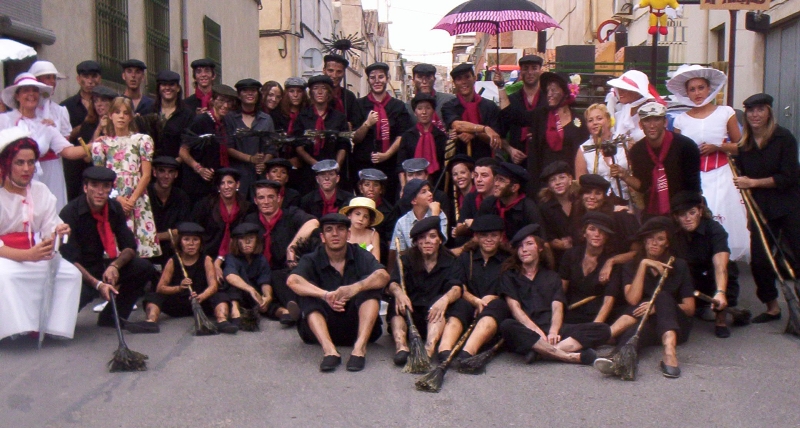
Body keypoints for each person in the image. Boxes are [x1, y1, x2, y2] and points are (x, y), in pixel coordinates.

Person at [0, 128, 82, 342]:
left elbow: (51, 225)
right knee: (6, 277)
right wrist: (27, 256)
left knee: (70, 274)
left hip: (35, 251)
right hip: (5, 255)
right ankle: (15, 330)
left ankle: (51, 327)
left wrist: (59, 231)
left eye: (31, 162)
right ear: (6, 163)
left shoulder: (40, 190)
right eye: (19, 162)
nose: (27, 169)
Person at [287, 213, 388, 372]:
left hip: (356, 327)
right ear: (322, 236)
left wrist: (355, 287)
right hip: (321, 328)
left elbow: (383, 276)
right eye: (329, 230)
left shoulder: (360, 254)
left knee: (370, 287)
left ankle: (359, 350)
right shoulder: (311, 258)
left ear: (348, 234)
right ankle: (329, 351)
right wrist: (325, 295)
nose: (335, 234)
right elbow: (292, 281)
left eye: (340, 229)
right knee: (306, 290)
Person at [596, 217, 695, 378]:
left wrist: (656, 307)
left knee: (662, 298)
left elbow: (690, 309)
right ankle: (618, 358)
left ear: (667, 243)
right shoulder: (631, 266)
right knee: (637, 326)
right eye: (650, 238)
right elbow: (633, 301)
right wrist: (643, 265)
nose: (654, 243)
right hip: (648, 323)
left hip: (676, 326)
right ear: (644, 241)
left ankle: (669, 353)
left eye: (660, 239)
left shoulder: (679, 265)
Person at [668, 65, 748, 261]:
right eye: (692, 89)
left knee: (722, 218)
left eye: (701, 88)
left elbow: (741, 146)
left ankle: (724, 262)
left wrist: (719, 147)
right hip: (695, 178)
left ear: (709, 89)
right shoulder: (681, 120)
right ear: (686, 92)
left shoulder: (725, 112)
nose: (697, 93)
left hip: (722, 174)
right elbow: (677, 153)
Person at [733, 93, 800, 324]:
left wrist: (752, 182)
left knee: (798, 256)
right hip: (761, 208)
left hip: (789, 205)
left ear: (769, 112)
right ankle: (772, 307)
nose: (755, 115)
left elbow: (788, 177)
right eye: (750, 111)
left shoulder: (784, 138)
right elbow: (743, 178)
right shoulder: (745, 145)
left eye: (760, 110)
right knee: (760, 260)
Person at [60, 166, 156, 327]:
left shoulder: (114, 208)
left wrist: (114, 266)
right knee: (62, 323)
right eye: (94, 186)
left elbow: (130, 247)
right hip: (78, 272)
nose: (100, 191)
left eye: (105, 187)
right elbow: (69, 258)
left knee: (143, 267)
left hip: (102, 266)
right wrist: (97, 284)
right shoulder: (70, 212)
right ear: (85, 187)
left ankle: (112, 317)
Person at [498, 225, 604, 365]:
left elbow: (557, 306)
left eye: (529, 244)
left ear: (540, 248)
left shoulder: (552, 276)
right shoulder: (509, 276)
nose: (523, 250)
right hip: (526, 331)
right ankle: (567, 356)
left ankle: (541, 352)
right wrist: (536, 332)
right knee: (507, 325)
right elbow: (515, 308)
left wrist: (553, 331)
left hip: (550, 328)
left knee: (602, 329)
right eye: (520, 246)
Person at [124, 222, 237, 334]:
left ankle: (222, 320)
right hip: (179, 302)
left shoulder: (206, 259)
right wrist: (179, 287)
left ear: (200, 243)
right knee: (153, 296)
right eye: (186, 239)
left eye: (195, 240)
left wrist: (201, 296)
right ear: (180, 242)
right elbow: (160, 288)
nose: (191, 244)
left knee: (220, 296)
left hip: (201, 302)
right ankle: (150, 322)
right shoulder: (173, 261)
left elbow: (213, 286)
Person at [0, 73, 89, 210]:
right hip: (11, 183)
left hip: (44, 180)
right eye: (26, 90)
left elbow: (69, 151)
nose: (31, 94)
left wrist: (96, 145)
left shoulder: (46, 125)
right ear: (17, 96)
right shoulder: (5, 120)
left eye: (35, 90)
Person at [90, 97, 161, 259]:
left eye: (125, 113)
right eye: (117, 112)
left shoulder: (141, 140)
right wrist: (117, 198)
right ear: (110, 116)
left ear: (131, 116)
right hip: (112, 198)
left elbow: (146, 174)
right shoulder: (102, 144)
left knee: (138, 248)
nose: (121, 116)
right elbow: (99, 177)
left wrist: (132, 199)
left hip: (137, 197)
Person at [386, 216, 462, 363]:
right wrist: (399, 293)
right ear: (416, 242)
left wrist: (444, 300)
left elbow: (456, 288)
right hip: (410, 312)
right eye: (422, 238)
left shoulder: (451, 260)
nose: (427, 241)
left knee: (439, 310)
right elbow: (393, 282)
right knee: (395, 305)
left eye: (432, 236)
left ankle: (428, 350)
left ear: (440, 239)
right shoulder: (405, 259)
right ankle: (401, 348)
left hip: (434, 315)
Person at [501, 72, 589, 194]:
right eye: (547, 91)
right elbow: (513, 116)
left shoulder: (578, 121)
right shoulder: (540, 115)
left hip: (570, 185)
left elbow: (585, 154)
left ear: (565, 92)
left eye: (553, 90)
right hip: (543, 184)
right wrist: (501, 87)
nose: (549, 95)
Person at [439, 215, 512, 361]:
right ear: (476, 237)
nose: (489, 239)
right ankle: (445, 350)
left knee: (498, 306)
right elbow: (457, 284)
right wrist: (475, 301)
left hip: (494, 311)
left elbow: (510, 291)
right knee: (459, 305)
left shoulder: (508, 260)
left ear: (500, 237)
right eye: (484, 235)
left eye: (494, 235)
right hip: (469, 306)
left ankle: (467, 352)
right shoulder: (466, 257)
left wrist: (492, 298)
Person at [670, 191, 739, 338]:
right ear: (676, 217)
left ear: (700, 211)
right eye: (682, 215)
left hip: (713, 276)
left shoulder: (715, 230)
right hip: (691, 279)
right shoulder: (674, 233)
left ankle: (721, 321)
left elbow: (720, 265)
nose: (688, 218)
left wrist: (720, 292)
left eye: (692, 212)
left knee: (727, 269)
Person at [614, 102, 701, 218]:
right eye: (647, 120)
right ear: (640, 125)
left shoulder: (686, 146)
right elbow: (643, 186)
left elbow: (694, 187)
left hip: (683, 211)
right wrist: (624, 176)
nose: (652, 125)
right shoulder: (637, 151)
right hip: (652, 211)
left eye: (656, 120)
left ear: (665, 122)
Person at [243, 180, 318, 301]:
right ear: (255, 200)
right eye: (261, 198)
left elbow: (313, 222)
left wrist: (292, 247)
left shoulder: (291, 214)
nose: (266, 202)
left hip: (287, 272)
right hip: (261, 275)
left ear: (279, 198)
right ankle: (283, 311)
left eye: (271, 197)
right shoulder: (250, 220)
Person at [352, 62, 412, 199]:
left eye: (381, 77)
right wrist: (367, 124)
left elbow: (402, 135)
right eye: (373, 77)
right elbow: (355, 138)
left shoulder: (398, 106)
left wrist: (387, 154)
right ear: (368, 81)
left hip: (390, 166)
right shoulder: (359, 104)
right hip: (364, 164)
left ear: (387, 78)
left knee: (389, 202)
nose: (377, 81)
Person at [223, 222, 299, 326]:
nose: (247, 242)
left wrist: (267, 296)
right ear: (236, 242)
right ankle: (235, 312)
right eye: (242, 238)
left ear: (257, 240)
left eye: (251, 238)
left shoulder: (260, 259)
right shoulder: (231, 258)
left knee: (269, 298)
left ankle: (285, 313)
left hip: (255, 296)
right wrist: (250, 289)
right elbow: (230, 276)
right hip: (241, 295)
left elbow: (265, 281)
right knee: (234, 286)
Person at [559, 212, 621, 326]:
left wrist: (595, 327)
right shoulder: (571, 255)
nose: (597, 234)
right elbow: (561, 289)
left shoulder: (612, 262)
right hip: (571, 313)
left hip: (597, 317)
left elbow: (609, 300)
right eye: (592, 229)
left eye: (602, 231)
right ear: (584, 233)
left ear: (607, 236)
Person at [179, 84, 238, 203]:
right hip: (196, 184)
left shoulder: (225, 123)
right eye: (221, 101)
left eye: (229, 102)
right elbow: (183, 151)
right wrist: (199, 168)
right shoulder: (201, 121)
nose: (225, 106)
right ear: (212, 101)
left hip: (214, 182)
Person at [191, 168, 251, 282]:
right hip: (207, 252)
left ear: (237, 184)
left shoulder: (246, 207)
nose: (226, 186)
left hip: (235, 254)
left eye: (230, 182)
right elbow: (196, 231)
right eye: (222, 183)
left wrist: (220, 259)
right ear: (218, 187)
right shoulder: (205, 205)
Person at [293, 75, 350, 194]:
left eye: (323, 88)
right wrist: (316, 165)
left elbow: (343, 145)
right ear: (311, 93)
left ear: (329, 92)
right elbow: (299, 146)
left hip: (333, 170)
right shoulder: (302, 117)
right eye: (315, 88)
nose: (319, 92)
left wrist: (335, 166)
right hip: (309, 170)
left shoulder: (339, 118)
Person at [442, 63, 504, 161]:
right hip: (459, 163)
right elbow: (457, 125)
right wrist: (484, 129)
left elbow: (494, 138)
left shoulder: (490, 106)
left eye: (467, 77)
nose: (464, 82)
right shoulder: (449, 107)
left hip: (485, 162)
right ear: (454, 83)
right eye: (459, 79)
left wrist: (475, 133)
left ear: (474, 78)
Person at [61, 60, 102, 201]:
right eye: (86, 76)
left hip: (98, 163)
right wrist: (83, 126)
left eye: (94, 76)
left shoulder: (107, 103)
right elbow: (61, 137)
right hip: (74, 166)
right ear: (79, 79)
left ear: (100, 78)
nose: (90, 81)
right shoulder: (66, 106)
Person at [226, 78, 273, 198]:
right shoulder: (230, 118)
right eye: (245, 91)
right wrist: (250, 158)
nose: (250, 94)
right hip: (238, 172)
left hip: (259, 173)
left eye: (253, 91)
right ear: (239, 95)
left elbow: (271, 147)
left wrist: (263, 162)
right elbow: (228, 147)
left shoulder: (266, 119)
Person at [575, 103, 631, 202]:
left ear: (609, 121)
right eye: (590, 120)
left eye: (599, 118)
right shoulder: (584, 149)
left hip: (626, 200)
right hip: (599, 204)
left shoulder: (624, 142)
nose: (595, 123)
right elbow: (580, 184)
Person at [135, 70, 195, 161]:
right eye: (163, 84)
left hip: (177, 167)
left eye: (171, 84)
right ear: (159, 88)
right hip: (152, 166)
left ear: (178, 88)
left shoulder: (187, 114)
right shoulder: (148, 111)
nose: (167, 88)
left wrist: (177, 162)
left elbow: (190, 143)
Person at [477, 162, 543, 242]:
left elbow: (540, 241)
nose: (496, 184)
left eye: (501, 180)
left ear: (514, 188)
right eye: (496, 179)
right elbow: (478, 234)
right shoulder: (489, 203)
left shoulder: (529, 208)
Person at [496, 55, 547, 156]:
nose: (530, 72)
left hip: (544, 160)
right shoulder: (511, 100)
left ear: (540, 71)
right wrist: (510, 150)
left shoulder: (548, 99)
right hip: (517, 163)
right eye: (526, 68)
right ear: (521, 72)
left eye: (534, 68)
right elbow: (500, 135)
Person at [395, 93, 448, 189]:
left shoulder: (441, 137)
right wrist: (404, 187)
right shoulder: (407, 136)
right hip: (410, 186)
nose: (424, 112)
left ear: (433, 111)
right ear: (415, 112)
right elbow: (400, 165)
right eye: (420, 108)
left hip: (436, 185)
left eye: (428, 108)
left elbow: (444, 166)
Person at [147, 156, 191, 268]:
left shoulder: (181, 196)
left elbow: (182, 230)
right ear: (154, 172)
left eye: (171, 172)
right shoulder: (145, 194)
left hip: (171, 249)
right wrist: (169, 234)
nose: (166, 176)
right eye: (162, 171)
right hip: (145, 249)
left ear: (176, 175)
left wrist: (156, 237)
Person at [389, 178, 448, 254]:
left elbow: (439, 242)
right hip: (413, 261)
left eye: (429, 190)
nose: (430, 194)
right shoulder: (402, 222)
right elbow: (400, 252)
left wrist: (435, 216)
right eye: (424, 192)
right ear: (414, 200)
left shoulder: (439, 214)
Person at [537, 161, 579, 264]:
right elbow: (546, 237)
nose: (558, 182)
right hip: (560, 259)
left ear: (570, 179)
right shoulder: (544, 208)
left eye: (562, 177)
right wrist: (559, 244)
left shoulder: (581, 201)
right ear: (549, 186)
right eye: (553, 180)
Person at [606, 69, 659, 144]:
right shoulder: (618, 116)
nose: (620, 92)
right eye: (619, 88)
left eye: (625, 89)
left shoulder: (651, 117)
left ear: (637, 93)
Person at [451, 157, 497, 245]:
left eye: (484, 175)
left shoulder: (500, 199)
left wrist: (473, 224)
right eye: (476, 175)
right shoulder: (470, 198)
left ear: (495, 178)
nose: (478, 180)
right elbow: (458, 229)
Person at [270, 78, 308, 178]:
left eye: (299, 91)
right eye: (292, 91)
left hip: (303, 163)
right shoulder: (276, 114)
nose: (295, 95)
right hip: (279, 162)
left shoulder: (308, 114)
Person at [405, 63, 454, 132]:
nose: (424, 81)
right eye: (420, 77)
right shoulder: (407, 107)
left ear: (434, 79)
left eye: (428, 77)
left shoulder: (449, 100)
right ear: (413, 80)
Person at [29, 60, 71, 138]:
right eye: (48, 77)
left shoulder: (60, 111)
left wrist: (54, 131)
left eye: (54, 78)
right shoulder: (24, 110)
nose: (53, 81)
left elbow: (66, 143)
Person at [322, 54, 361, 126]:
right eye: (330, 71)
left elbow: (355, 123)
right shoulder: (318, 95)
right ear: (324, 71)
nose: (334, 75)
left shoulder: (349, 97)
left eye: (339, 72)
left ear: (343, 73)